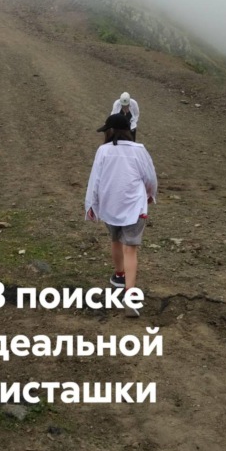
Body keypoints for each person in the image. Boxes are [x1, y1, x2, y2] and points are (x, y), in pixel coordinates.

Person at [85, 114, 157, 316]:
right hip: (134, 206)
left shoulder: (103, 151)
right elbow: (150, 177)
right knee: (130, 249)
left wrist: (91, 204)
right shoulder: (139, 150)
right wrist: (150, 194)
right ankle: (130, 295)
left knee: (115, 240)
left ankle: (119, 276)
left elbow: (95, 179)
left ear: (110, 131)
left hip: (110, 205)